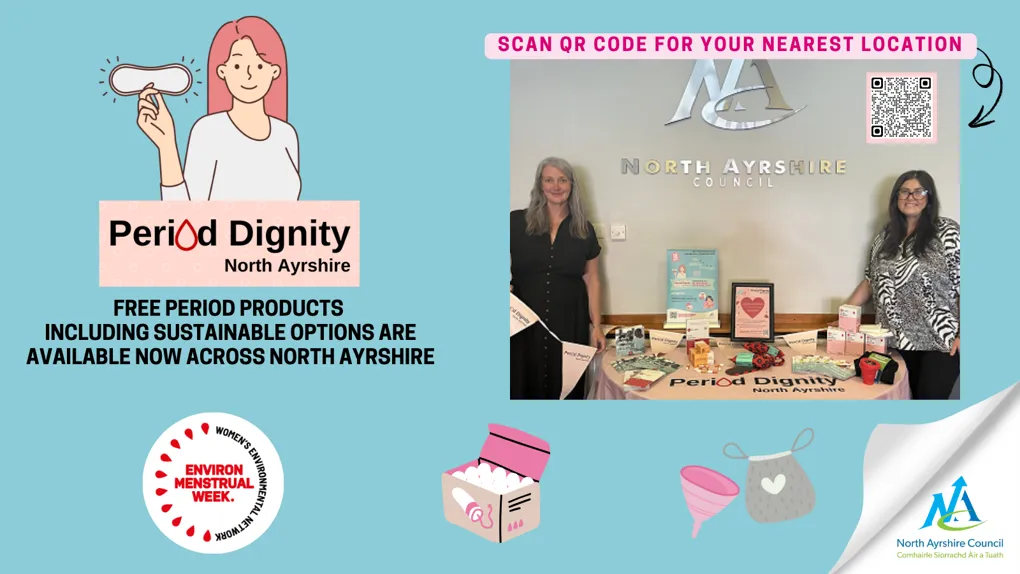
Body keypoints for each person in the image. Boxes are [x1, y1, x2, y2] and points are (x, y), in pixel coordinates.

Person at [135, 16, 300, 201]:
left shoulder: (286, 134)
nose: (249, 75)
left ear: (274, 71)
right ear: (222, 71)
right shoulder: (208, 131)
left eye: (259, 65)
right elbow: (185, 218)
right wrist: (167, 146)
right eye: (237, 65)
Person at [843, 170, 960, 399]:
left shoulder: (947, 231)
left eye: (919, 191)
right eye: (904, 191)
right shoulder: (885, 235)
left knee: (928, 407)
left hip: (938, 342)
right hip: (891, 343)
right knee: (897, 404)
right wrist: (844, 315)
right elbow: (870, 282)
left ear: (929, 197)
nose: (911, 197)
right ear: (896, 197)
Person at [510, 157, 605, 400]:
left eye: (562, 180)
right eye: (549, 180)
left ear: (572, 185)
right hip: (524, 322)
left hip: (570, 319)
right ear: (540, 185)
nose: (556, 186)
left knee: (566, 385)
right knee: (522, 383)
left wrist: (597, 326)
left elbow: (592, 277)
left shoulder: (584, 229)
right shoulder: (515, 221)